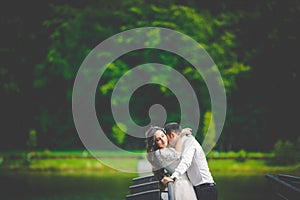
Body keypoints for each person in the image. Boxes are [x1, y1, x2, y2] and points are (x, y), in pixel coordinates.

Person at [161, 122, 218, 200]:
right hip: (198, 189)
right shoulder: (182, 144)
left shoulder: (188, 141)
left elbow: (186, 161)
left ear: (172, 135)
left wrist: (173, 177)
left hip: (205, 188)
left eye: (168, 140)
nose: (169, 145)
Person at [145, 126, 197, 200]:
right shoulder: (160, 153)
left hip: (185, 183)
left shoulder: (167, 149)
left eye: (163, 136)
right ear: (154, 143)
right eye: (158, 139)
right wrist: (181, 136)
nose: (163, 140)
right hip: (181, 184)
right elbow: (177, 154)